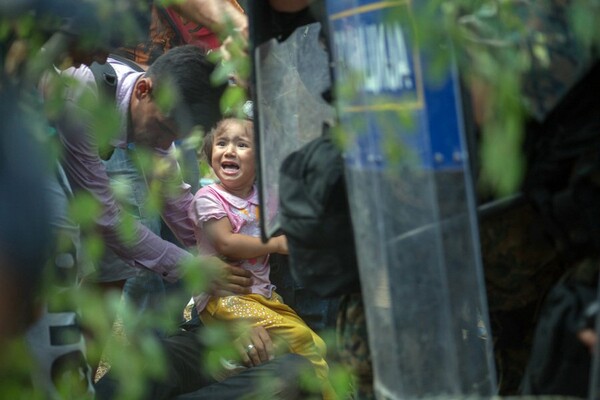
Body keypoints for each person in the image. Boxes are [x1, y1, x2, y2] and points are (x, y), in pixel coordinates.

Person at [188, 117, 334, 398]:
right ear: (210, 155)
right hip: (226, 300)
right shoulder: (209, 197)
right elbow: (226, 242)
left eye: (241, 145)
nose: (229, 151)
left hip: (262, 297)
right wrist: (277, 244)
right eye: (222, 143)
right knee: (301, 339)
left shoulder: (262, 198)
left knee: (317, 343)